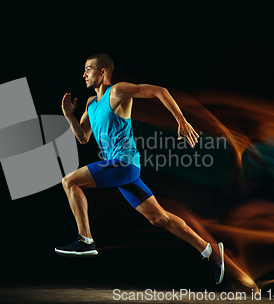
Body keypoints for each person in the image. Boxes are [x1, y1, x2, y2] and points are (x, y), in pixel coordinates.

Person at [55, 54, 225, 284]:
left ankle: (85, 240)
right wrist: (68, 116)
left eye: (88, 69)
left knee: (70, 181)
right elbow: (84, 137)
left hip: (123, 164)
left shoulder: (118, 92)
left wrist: (181, 120)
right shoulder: (90, 104)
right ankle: (210, 251)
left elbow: (160, 91)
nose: (84, 74)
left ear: (103, 71)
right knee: (159, 218)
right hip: (120, 171)